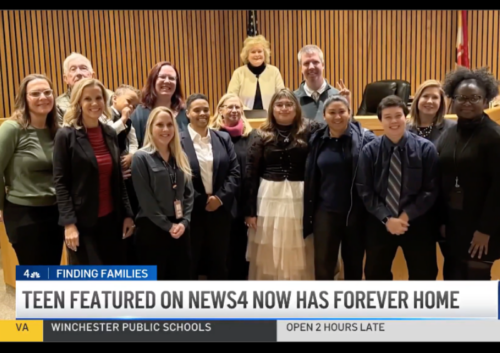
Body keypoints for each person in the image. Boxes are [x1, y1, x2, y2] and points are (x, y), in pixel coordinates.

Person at [356, 95, 439, 280]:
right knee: (375, 276)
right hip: (380, 223)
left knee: (424, 276)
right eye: (388, 116)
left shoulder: (426, 149)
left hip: (417, 222)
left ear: (406, 117)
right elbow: (365, 189)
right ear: (380, 120)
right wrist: (387, 219)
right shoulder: (369, 151)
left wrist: (404, 216)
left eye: (398, 115)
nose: (393, 121)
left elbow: (430, 189)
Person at [53, 78, 135, 265]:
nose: (94, 103)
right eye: (87, 98)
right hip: (82, 223)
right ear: (78, 103)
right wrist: (69, 224)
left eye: (98, 98)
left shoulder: (110, 133)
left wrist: (127, 214)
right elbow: (61, 183)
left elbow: (118, 180)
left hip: (112, 220)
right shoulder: (66, 135)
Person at [244, 88, 322, 280]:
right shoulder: (260, 133)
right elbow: (250, 173)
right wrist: (250, 211)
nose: (284, 108)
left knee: (299, 246)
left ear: (296, 108)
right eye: (279, 104)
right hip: (269, 195)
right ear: (272, 108)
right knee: (271, 246)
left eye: (289, 104)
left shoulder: (311, 129)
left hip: (300, 194)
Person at [437, 66, 500, 279]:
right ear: (452, 100)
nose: (467, 103)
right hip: (454, 225)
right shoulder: (449, 132)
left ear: (485, 101)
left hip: (482, 227)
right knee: (453, 279)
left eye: (474, 98)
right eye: (461, 97)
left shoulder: (494, 137)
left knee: (476, 285)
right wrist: (442, 221)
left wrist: (485, 230)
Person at [304, 95, 376, 280]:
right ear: (325, 116)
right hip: (325, 213)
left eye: (342, 112)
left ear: (350, 114)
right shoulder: (317, 140)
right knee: (324, 265)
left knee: (353, 263)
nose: (337, 117)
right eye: (332, 112)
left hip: (355, 213)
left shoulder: (365, 138)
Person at [0, 74, 64, 265]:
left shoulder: (57, 130)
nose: (43, 97)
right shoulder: (12, 128)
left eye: (47, 92)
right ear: (24, 98)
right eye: (35, 93)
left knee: (51, 274)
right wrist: (0, 207)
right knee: (34, 278)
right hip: (23, 214)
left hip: (54, 212)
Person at [180, 93, 240, 279]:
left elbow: (234, 172)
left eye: (206, 109)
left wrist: (220, 198)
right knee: (191, 263)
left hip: (220, 211)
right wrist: (201, 200)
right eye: (197, 110)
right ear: (188, 113)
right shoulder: (177, 140)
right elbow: (178, 177)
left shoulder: (223, 138)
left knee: (219, 263)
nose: (202, 113)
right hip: (192, 212)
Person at [132, 107, 194, 279]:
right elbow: (146, 200)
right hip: (152, 229)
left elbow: (189, 193)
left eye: (169, 125)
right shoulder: (141, 157)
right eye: (160, 125)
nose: (165, 129)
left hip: (181, 228)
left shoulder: (181, 156)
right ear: (151, 127)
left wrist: (184, 221)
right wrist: (169, 226)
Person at [406, 79, 456, 279]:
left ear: (441, 103)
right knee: (422, 268)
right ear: (417, 100)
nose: (429, 101)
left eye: (435, 97)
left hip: (444, 207)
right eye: (425, 96)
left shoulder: (452, 129)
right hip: (416, 210)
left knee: (452, 263)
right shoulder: (403, 128)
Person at [210, 93, 257, 279]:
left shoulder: (252, 136)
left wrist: (251, 208)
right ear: (220, 110)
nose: (234, 110)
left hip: (243, 201)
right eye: (229, 107)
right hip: (221, 203)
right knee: (222, 253)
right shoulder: (211, 135)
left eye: (238, 107)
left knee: (241, 252)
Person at [131, 61, 188, 147]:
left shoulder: (185, 112)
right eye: (162, 77)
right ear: (153, 80)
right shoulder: (140, 113)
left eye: (172, 78)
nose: (167, 81)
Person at [227, 35, 285, 112]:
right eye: (253, 52)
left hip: (271, 117)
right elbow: (231, 98)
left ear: (265, 54)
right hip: (244, 117)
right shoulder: (238, 73)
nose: (257, 55)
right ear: (247, 55)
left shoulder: (274, 72)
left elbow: (282, 96)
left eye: (260, 51)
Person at [293, 45, 350, 121]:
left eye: (315, 62)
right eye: (306, 63)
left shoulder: (338, 96)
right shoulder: (293, 100)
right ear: (301, 68)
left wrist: (348, 106)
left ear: (323, 65)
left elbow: (349, 129)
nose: (311, 67)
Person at [56, 52, 113, 123]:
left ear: (92, 75)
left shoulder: (110, 97)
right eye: (73, 69)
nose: (78, 73)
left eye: (83, 68)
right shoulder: (58, 105)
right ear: (65, 78)